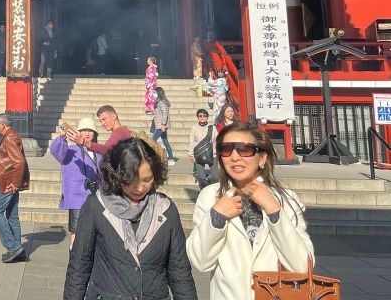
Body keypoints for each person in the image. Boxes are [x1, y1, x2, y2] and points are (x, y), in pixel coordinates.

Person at [187, 122, 314, 300]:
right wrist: (216, 217)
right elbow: (200, 262)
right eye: (226, 149)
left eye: (244, 150)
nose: (234, 157)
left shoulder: (286, 200)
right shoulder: (210, 197)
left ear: (261, 158)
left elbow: (302, 267)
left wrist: (273, 211)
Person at [64, 138, 197, 300]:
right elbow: (79, 267)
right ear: (116, 175)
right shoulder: (96, 207)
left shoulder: (166, 210)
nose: (140, 188)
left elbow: (180, 272)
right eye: (131, 180)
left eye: (147, 180)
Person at [49, 117, 101, 248]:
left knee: (94, 234)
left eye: (90, 130)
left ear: (95, 134)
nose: (87, 133)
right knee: (76, 235)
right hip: (77, 198)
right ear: (78, 132)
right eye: (84, 130)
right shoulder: (70, 151)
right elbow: (55, 150)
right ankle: (74, 260)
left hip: (95, 197)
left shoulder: (99, 152)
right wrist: (62, 137)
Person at [0, 113, 29, 263]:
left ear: (2, 125)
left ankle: (13, 246)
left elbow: (19, 163)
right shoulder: (8, 136)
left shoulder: (10, 137)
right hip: (5, 179)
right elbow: (6, 161)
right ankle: (18, 250)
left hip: (7, 183)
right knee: (11, 215)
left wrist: (16, 184)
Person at [189, 108, 218, 190]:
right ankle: (203, 191)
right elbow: (192, 141)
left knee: (215, 177)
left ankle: (212, 191)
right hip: (199, 155)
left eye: (204, 116)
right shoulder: (194, 128)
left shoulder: (212, 128)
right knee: (201, 177)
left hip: (212, 154)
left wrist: (218, 151)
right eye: (200, 116)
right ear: (197, 117)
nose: (202, 117)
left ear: (207, 117)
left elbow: (217, 140)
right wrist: (191, 154)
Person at [152, 86, 176, 166]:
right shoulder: (159, 101)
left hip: (161, 126)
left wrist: (162, 124)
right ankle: (171, 158)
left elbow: (165, 113)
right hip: (160, 125)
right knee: (165, 141)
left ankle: (155, 157)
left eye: (155, 92)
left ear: (159, 93)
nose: (154, 94)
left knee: (152, 141)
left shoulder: (161, 102)